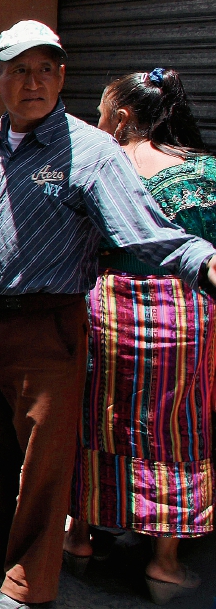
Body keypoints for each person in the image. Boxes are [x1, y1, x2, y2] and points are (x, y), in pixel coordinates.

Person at [0, 21, 216, 609]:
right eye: (18, 70)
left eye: (45, 69)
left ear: (62, 77)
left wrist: (205, 264)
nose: (32, 82)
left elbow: (147, 233)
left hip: (52, 326)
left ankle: (27, 583)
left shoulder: (91, 152)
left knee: (43, 462)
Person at [64, 68, 214, 603]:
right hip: (182, 314)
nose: (98, 123)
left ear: (122, 118)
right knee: (175, 427)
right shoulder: (204, 173)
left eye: (103, 114)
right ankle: (166, 562)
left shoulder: (98, 166)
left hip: (106, 309)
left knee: (92, 417)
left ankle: (80, 537)